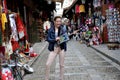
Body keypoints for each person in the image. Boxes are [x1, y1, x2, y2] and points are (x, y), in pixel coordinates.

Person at [45, 16, 67, 80]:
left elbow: (66, 38)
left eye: (60, 21)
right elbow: (48, 39)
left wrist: (62, 38)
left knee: (62, 65)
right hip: (53, 49)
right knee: (47, 64)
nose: (58, 23)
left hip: (61, 48)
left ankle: (61, 78)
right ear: (54, 22)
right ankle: (46, 78)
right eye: (57, 21)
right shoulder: (50, 30)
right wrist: (55, 39)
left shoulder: (63, 29)